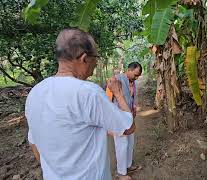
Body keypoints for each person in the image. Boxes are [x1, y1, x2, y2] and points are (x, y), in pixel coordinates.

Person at [25, 28, 135, 180]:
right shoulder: (88, 92)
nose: (96, 63)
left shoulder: (35, 93)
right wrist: (118, 93)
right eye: (96, 57)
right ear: (84, 58)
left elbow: (34, 143)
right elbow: (128, 128)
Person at [108, 62, 142, 180]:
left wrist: (134, 108)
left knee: (130, 142)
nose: (136, 78)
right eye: (135, 75)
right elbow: (108, 100)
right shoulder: (116, 79)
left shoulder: (133, 83)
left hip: (129, 117)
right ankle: (121, 173)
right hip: (118, 118)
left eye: (138, 76)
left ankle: (129, 165)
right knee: (121, 145)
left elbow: (132, 98)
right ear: (129, 70)